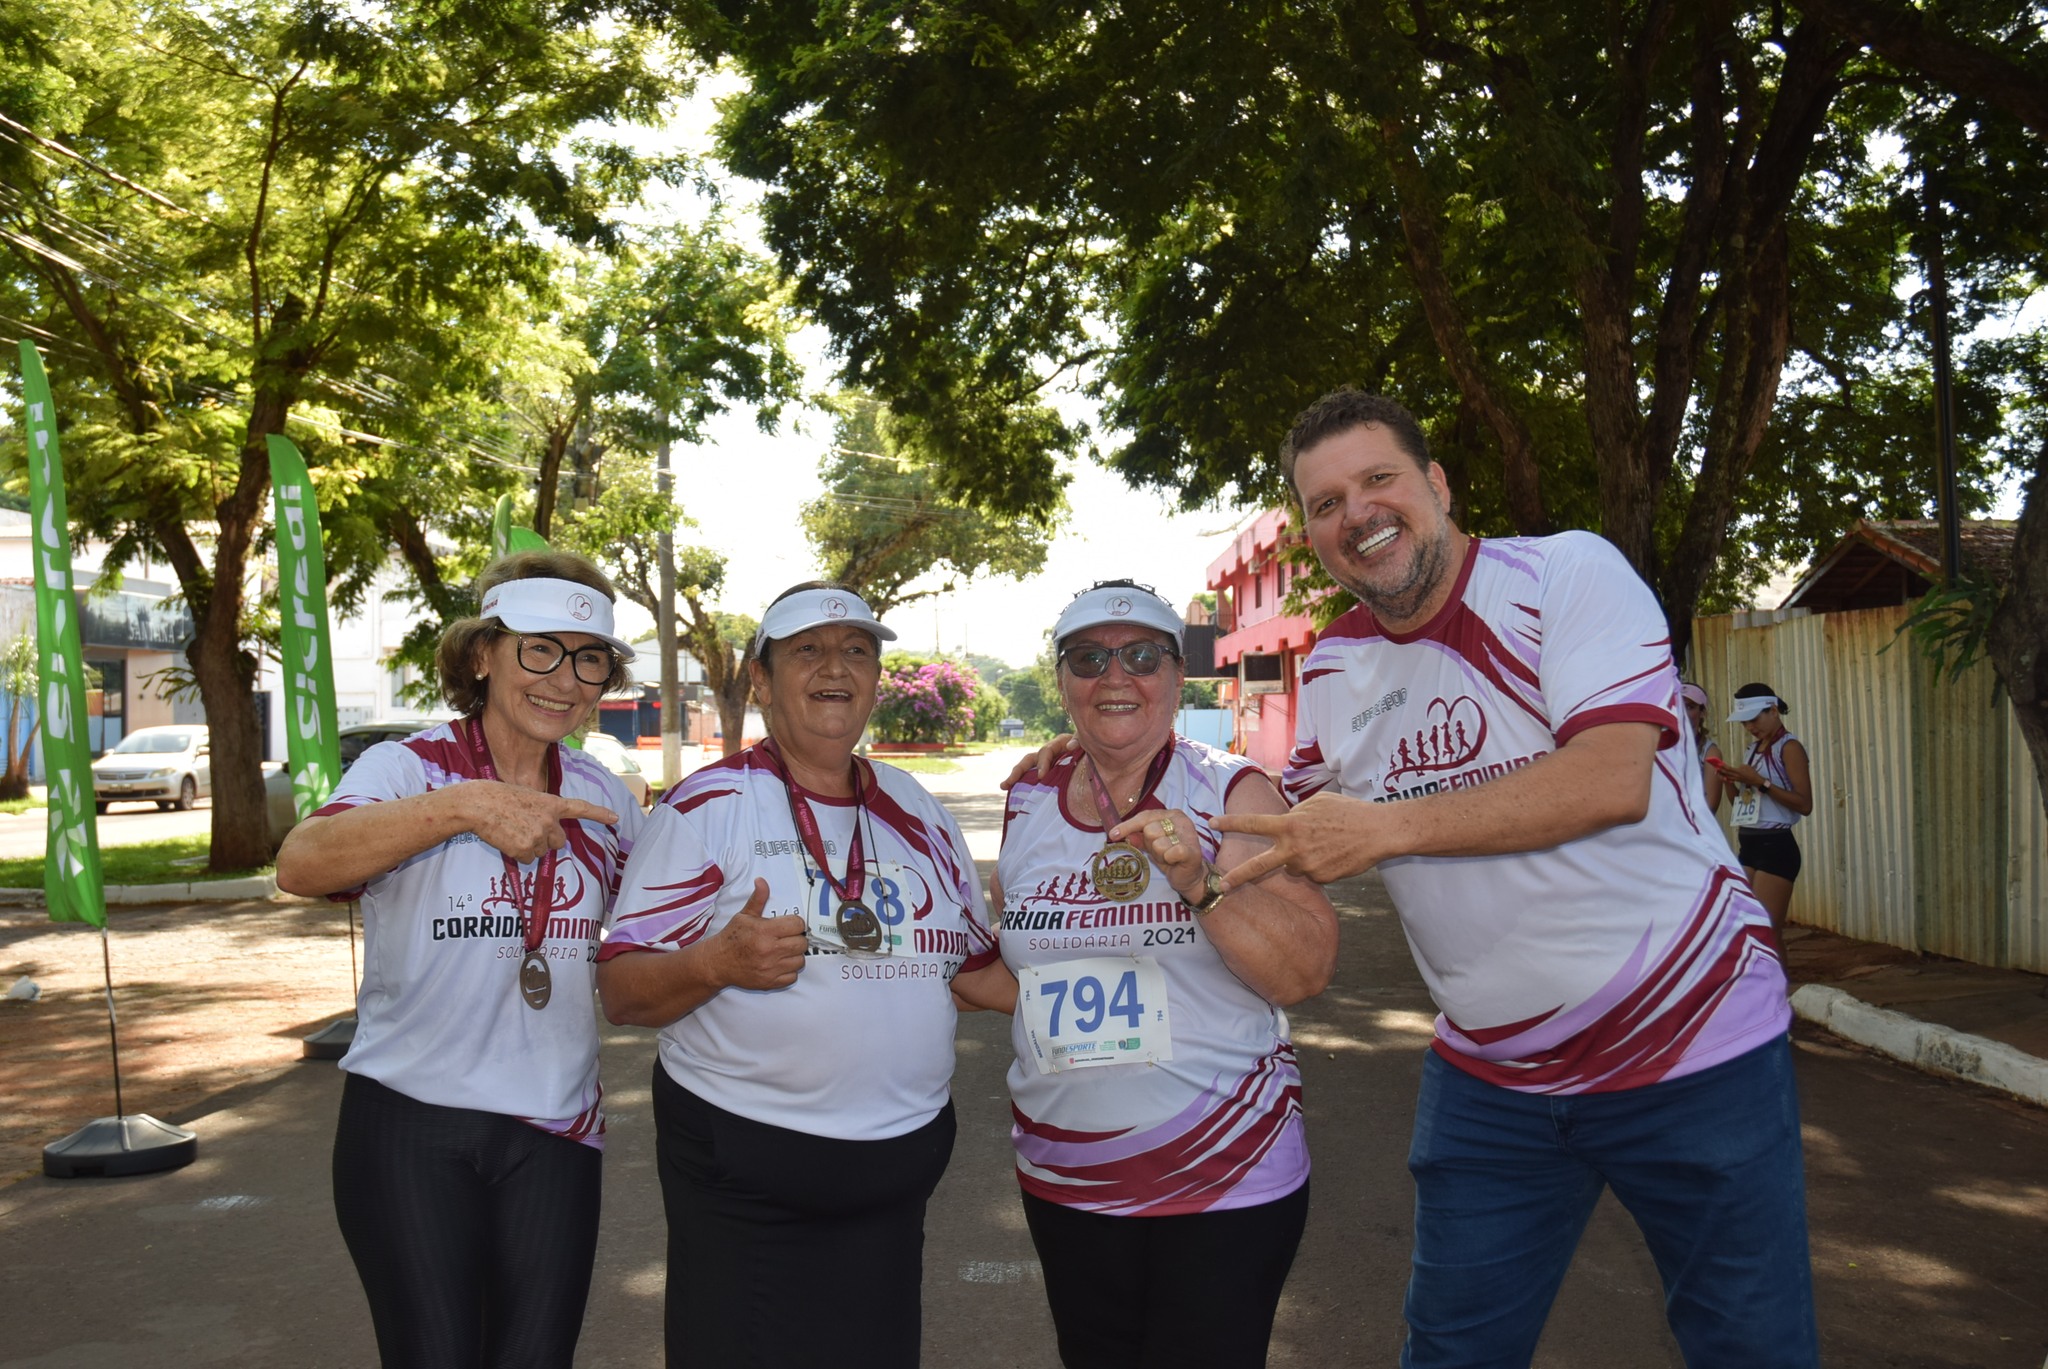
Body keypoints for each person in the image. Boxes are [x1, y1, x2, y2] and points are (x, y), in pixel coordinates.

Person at [1215, 389, 1816, 1367]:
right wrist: (1177, 820)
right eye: (1323, 503)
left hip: (1692, 1042)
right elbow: (1288, 829)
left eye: (1377, 480)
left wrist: (1380, 829)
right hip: (1493, 1075)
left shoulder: (1564, 573)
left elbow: (1608, 777)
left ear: (1435, 485)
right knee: (1449, 1351)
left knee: (1748, 1346)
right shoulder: (1332, 667)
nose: (1354, 513)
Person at [595, 582, 1009, 1369]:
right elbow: (621, 989)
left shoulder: (918, 809)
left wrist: (1141, 1009)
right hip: (748, 1181)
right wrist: (717, 961)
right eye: (808, 650)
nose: (836, 667)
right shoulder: (708, 806)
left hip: (894, 1180)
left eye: (857, 650)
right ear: (760, 678)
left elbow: (977, 973)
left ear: (878, 677)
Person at [275, 551, 643, 1368]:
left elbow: (649, 938)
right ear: (483, 654)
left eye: (588, 657)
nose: (564, 678)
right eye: (538, 649)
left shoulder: (604, 795)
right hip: (410, 1120)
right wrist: (464, 807)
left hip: (555, 1123)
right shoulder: (407, 767)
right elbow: (301, 862)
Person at [995, 581, 1339, 1369]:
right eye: (1089, 657)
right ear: (1062, 681)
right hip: (1067, 1176)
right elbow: (1015, 960)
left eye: (1142, 655)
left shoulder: (1232, 793)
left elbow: (1306, 968)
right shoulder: (1028, 799)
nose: (1115, 675)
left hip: (1221, 1172)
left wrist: (1200, 882)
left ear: (1178, 678)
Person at [1716, 682, 1813, 938]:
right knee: (1745, 929)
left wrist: (1762, 782)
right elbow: (1743, 805)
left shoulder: (1789, 748)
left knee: (1765, 933)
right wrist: (1728, 781)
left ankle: (1778, 979)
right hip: (1750, 844)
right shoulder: (1752, 751)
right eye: (1743, 723)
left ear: (1773, 710)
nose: (1750, 727)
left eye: (1753, 719)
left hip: (1776, 846)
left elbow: (1804, 804)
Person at [1681, 680, 1727, 814]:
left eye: (1689, 707)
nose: (1683, 713)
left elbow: (1710, 806)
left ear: (1702, 712)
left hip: (1693, 828)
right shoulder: (1661, 746)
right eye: (1678, 706)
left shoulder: (1710, 752)